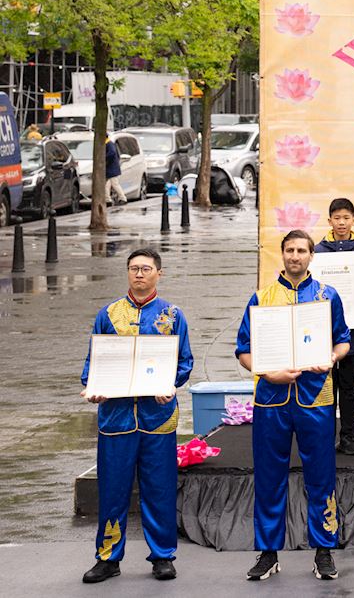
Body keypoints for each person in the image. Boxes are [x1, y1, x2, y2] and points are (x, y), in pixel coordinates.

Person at [236, 230, 351, 581]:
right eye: (290, 250)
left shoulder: (327, 296)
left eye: (302, 250)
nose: (295, 256)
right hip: (271, 397)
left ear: (312, 255)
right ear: (282, 254)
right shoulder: (262, 297)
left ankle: (324, 550)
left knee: (321, 475)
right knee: (269, 475)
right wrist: (266, 372)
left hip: (316, 396)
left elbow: (343, 340)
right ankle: (268, 552)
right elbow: (243, 350)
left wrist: (331, 358)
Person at [80, 248, 193, 584]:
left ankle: (162, 556)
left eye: (146, 268)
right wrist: (93, 386)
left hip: (157, 416)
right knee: (112, 489)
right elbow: (94, 361)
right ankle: (107, 557)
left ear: (159, 273)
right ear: (127, 272)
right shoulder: (108, 314)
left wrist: (171, 385)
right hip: (116, 418)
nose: (139, 274)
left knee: (159, 488)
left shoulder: (173, 315)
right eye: (133, 268)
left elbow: (184, 361)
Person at [314, 198, 354, 456]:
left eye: (346, 218)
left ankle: (350, 436)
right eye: (337, 218)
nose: (341, 223)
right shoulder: (318, 251)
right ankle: (324, 436)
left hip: (353, 327)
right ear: (329, 221)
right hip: (323, 328)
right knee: (325, 383)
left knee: (348, 383)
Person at [104, 137, 126, 205]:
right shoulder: (109, 143)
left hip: (111, 168)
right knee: (107, 185)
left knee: (114, 184)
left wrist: (105, 159)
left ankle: (122, 198)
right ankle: (107, 199)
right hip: (112, 168)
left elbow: (112, 153)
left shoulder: (108, 144)